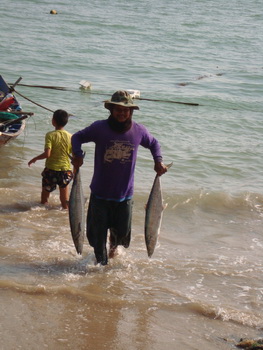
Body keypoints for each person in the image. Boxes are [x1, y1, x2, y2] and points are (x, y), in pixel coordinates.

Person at [71, 91, 167, 265]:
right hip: (100, 194)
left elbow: (154, 144)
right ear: (111, 110)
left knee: (121, 236)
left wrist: (158, 161)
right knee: (97, 239)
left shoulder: (139, 131)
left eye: (126, 110)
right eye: (118, 110)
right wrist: (77, 154)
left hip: (125, 196)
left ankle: (112, 253)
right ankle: (100, 266)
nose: (122, 113)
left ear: (131, 111)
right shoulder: (99, 128)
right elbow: (77, 137)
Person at [28, 109, 73, 209]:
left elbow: (47, 154)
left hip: (51, 171)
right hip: (65, 171)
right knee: (65, 202)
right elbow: (73, 155)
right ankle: (63, 219)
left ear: (53, 121)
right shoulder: (71, 137)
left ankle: (43, 216)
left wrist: (35, 158)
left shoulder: (50, 135)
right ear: (66, 122)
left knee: (44, 199)